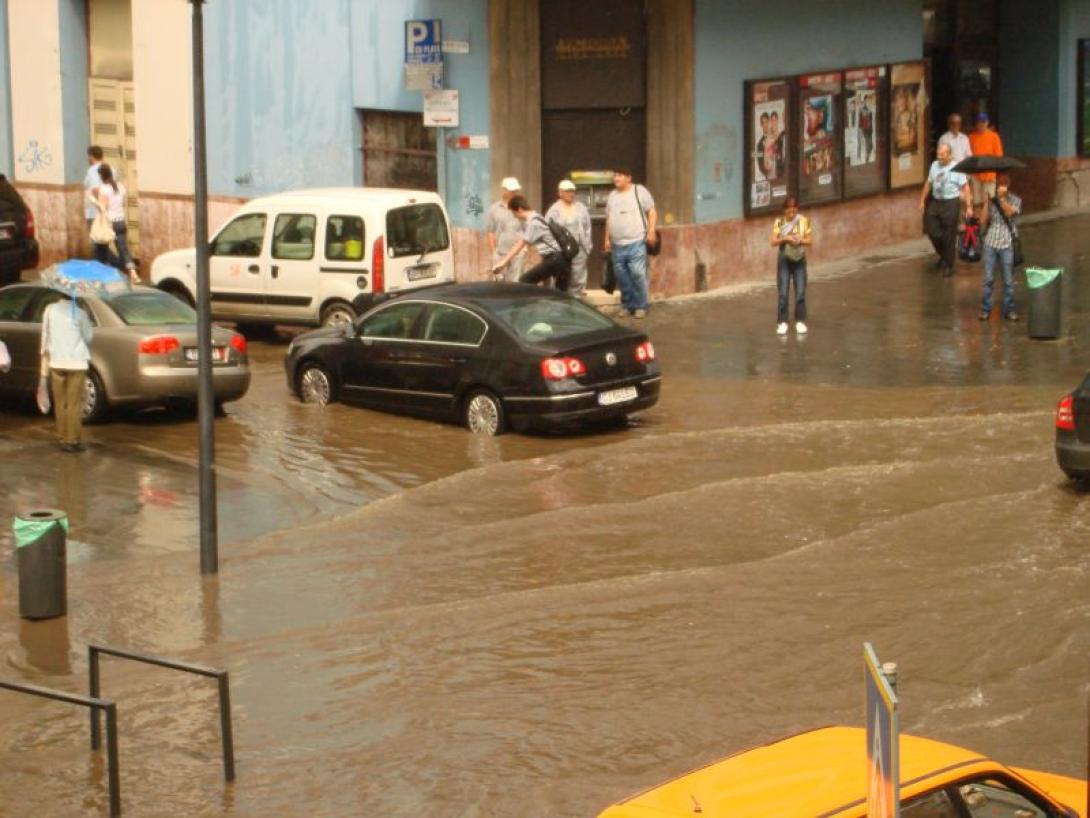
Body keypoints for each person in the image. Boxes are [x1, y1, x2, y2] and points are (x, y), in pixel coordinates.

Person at [40, 292, 93, 452]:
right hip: (76, 363)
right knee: (74, 403)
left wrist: (44, 359)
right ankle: (72, 440)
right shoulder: (80, 313)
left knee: (60, 402)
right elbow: (89, 337)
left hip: (56, 362)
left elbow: (45, 335)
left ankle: (62, 437)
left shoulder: (49, 309)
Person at [603, 169, 656, 319]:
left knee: (638, 274)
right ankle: (627, 305)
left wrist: (651, 231)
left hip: (637, 241)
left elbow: (652, 211)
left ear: (628, 177)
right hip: (617, 244)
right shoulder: (612, 196)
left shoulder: (639, 191)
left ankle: (640, 306)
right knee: (622, 277)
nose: (616, 178)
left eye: (619, 175)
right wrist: (607, 238)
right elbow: (609, 218)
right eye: (615, 175)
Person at [490, 195, 571, 290]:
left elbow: (521, 243)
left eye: (513, 213)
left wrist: (503, 262)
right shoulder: (537, 217)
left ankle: (533, 303)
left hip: (554, 259)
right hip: (558, 259)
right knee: (559, 293)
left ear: (519, 210)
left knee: (525, 281)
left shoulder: (534, 223)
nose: (514, 216)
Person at [918, 143, 972, 277]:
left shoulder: (957, 168)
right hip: (936, 201)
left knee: (949, 234)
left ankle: (948, 264)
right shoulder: (934, 165)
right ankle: (944, 254)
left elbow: (966, 188)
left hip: (951, 202)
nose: (939, 157)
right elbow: (928, 183)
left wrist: (968, 206)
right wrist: (922, 200)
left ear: (949, 155)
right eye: (938, 154)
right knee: (932, 230)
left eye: (942, 154)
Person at [978, 173, 1022, 322]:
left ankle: (1009, 309)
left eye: (1003, 186)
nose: (1000, 189)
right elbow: (983, 221)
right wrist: (986, 203)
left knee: (1008, 280)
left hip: (1007, 242)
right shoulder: (992, 201)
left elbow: (1010, 213)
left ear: (1008, 187)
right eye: (999, 186)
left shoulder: (1016, 200)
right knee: (988, 279)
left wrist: (1002, 199)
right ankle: (985, 309)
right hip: (991, 242)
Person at [769, 197, 812, 335]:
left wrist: (800, 240)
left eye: (794, 210)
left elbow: (810, 240)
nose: (792, 214)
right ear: (784, 210)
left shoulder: (804, 221)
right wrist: (786, 238)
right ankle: (782, 322)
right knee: (783, 292)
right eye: (789, 211)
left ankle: (800, 320)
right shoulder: (779, 222)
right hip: (784, 259)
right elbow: (773, 241)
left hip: (799, 258)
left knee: (800, 290)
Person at [91, 164, 138, 283]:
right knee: (123, 249)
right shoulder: (120, 187)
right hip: (121, 222)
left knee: (100, 249)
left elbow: (102, 208)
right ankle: (133, 272)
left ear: (101, 176)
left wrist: (93, 200)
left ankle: (99, 277)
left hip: (109, 224)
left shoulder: (104, 189)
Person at [545, 180, 592, 296]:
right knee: (561, 275)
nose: (571, 194)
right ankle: (560, 300)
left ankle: (576, 298)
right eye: (567, 191)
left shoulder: (581, 208)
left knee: (578, 275)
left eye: (572, 191)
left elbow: (587, 227)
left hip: (579, 248)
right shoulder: (554, 210)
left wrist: (587, 245)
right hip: (562, 250)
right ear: (560, 193)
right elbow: (548, 230)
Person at [486, 177, 526, 282]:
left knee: (516, 283)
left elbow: (527, 230)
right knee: (499, 283)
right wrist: (493, 252)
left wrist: (524, 249)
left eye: (515, 191)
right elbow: (491, 232)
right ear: (504, 190)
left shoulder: (522, 208)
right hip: (500, 253)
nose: (514, 193)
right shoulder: (494, 209)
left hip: (517, 254)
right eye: (511, 191)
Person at [967, 111, 1003, 210]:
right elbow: (968, 156)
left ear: (987, 122)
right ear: (976, 123)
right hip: (975, 175)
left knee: (988, 202)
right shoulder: (971, 137)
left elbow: (999, 156)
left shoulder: (994, 137)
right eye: (979, 122)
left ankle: (986, 224)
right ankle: (978, 224)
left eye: (983, 121)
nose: (981, 124)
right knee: (976, 202)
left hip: (989, 174)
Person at [83, 145, 104, 231]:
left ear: (91, 156)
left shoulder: (92, 171)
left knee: (96, 240)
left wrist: (101, 207)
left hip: (94, 212)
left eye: (88, 156)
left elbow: (96, 189)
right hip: (107, 212)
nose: (88, 158)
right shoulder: (110, 169)